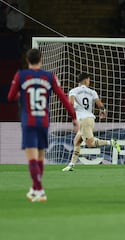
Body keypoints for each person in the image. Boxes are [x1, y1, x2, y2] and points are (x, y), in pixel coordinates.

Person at [7, 48, 79, 202]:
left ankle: (39, 189)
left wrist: (21, 92)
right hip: (44, 121)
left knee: (32, 158)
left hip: (29, 121)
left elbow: (10, 96)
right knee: (40, 157)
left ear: (27, 60)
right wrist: (73, 117)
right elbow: (63, 97)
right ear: (41, 59)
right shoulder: (49, 76)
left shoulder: (21, 75)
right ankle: (34, 188)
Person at [62, 73, 121, 172]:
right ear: (85, 81)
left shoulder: (73, 91)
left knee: (90, 143)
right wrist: (103, 112)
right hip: (89, 119)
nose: (89, 82)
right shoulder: (92, 92)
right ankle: (71, 165)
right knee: (77, 141)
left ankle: (111, 142)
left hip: (83, 120)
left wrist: (72, 114)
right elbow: (100, 105)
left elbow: (71, 103)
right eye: (89, 80)